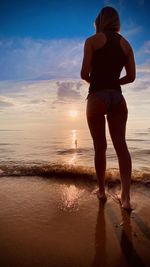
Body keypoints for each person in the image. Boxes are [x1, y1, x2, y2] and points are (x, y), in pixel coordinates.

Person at [80, 6, 136, 210]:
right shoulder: (127, 45)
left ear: (100, 21)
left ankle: (102, 191)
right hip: (118, 99)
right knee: (122, 147)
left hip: (96, 96)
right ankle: (126, 198)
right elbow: (131, 77)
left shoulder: (92, 41)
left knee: (100, 147)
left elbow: (84, 73)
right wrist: (114, 81)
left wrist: (97, 80)